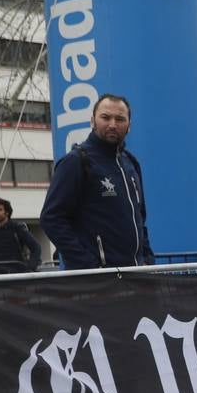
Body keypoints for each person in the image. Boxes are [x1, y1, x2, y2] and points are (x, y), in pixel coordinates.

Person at [40, 93, 155, 269]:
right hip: (97, 283)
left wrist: (147, 258)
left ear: (129, 126)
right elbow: (51, 219)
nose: (113, 125)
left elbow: (140, 217)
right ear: (92, 121)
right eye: (105, 117)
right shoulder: (76, 161)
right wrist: (89, 266)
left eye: (120, 119)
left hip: (136, 276)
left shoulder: (131, 163)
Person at [0, 198, 41, 274]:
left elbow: (36, 247)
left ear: (7, 212)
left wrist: (30, 267)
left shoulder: (17, 227)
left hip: (16, 273)